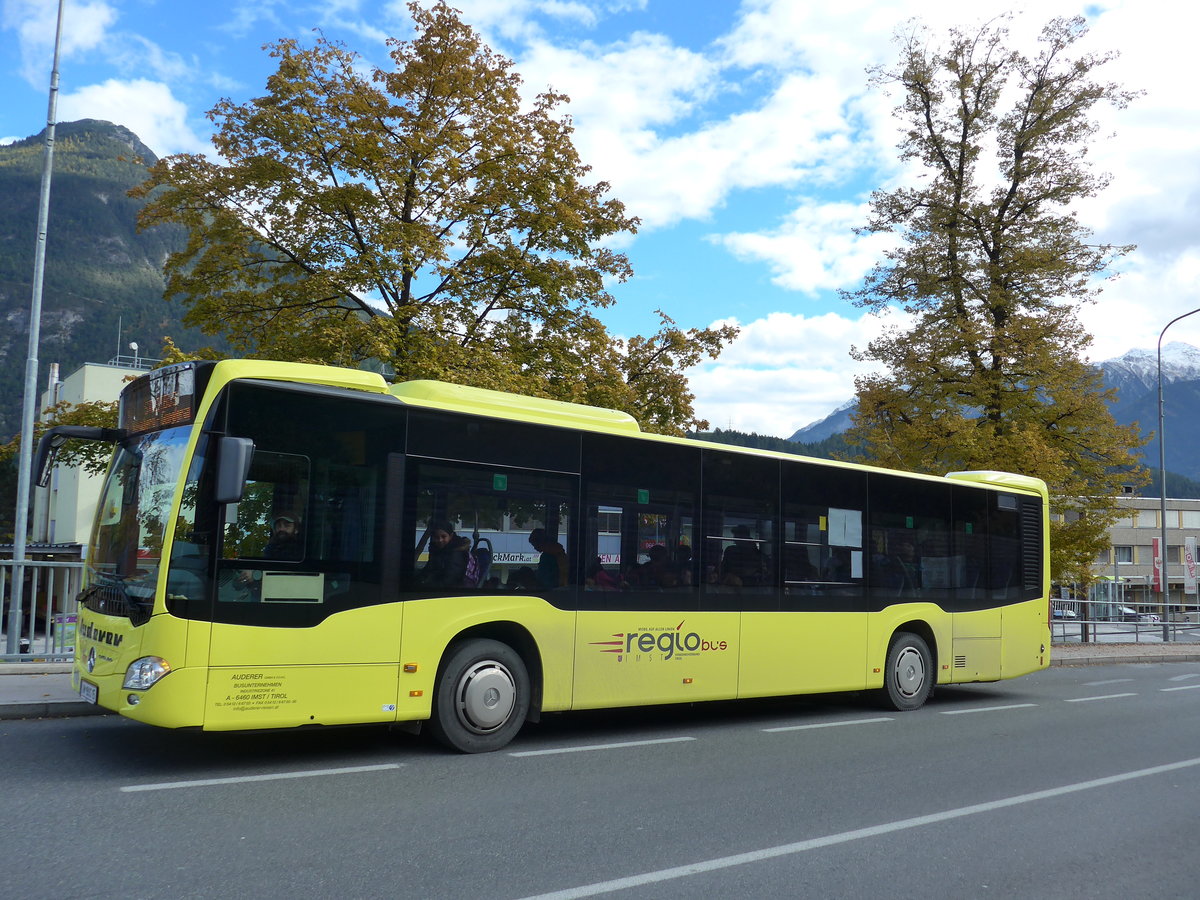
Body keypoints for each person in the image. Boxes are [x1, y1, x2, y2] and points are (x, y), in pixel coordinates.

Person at [417, 520, 471, 588]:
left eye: (443, 536)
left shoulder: (456, 552)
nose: (440, 540)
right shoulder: (437, 550)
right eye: (436, 537)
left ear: (451, 536)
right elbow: (428, 569)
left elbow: (450, 580)